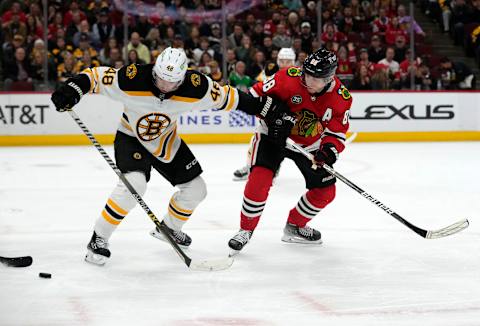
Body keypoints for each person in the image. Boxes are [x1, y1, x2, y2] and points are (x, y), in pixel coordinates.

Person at [51, 47, 294, 266]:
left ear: (183, 77)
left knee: (197, 190)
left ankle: (168, 228)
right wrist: (73, 87)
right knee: (134, 185)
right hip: (130, 137)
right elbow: (95, 77)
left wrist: (269, 110)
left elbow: (233, 98)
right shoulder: (132, 78)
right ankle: (99, 239)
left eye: (173, 83)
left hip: (166, 141)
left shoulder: (197, 86)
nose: (165, 87)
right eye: (161, 80)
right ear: (154, 71)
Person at [228, 48, 353, 254]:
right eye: (307, 74)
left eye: (316, 78)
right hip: (272, 136)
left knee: (325, 192)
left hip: (309, 145)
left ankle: (295, 225)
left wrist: (327, 152)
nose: (309, 81)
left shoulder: (341, 98)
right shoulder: (288, 77)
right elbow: (252, 97)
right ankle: (245, 230)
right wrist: (271, 111)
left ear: (330, 78)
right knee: (259, 180)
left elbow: (337, 133)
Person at [233, 48, 297, 181]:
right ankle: (251, 166)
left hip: (290, 118)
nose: (285, 64)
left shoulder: (299, 75)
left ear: (294, 61)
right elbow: (258, 85)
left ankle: (273, 167)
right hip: (270, 114)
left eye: (288, 61)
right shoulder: (270, 70)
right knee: (257, 141)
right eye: (282, 61)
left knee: (281, 145)